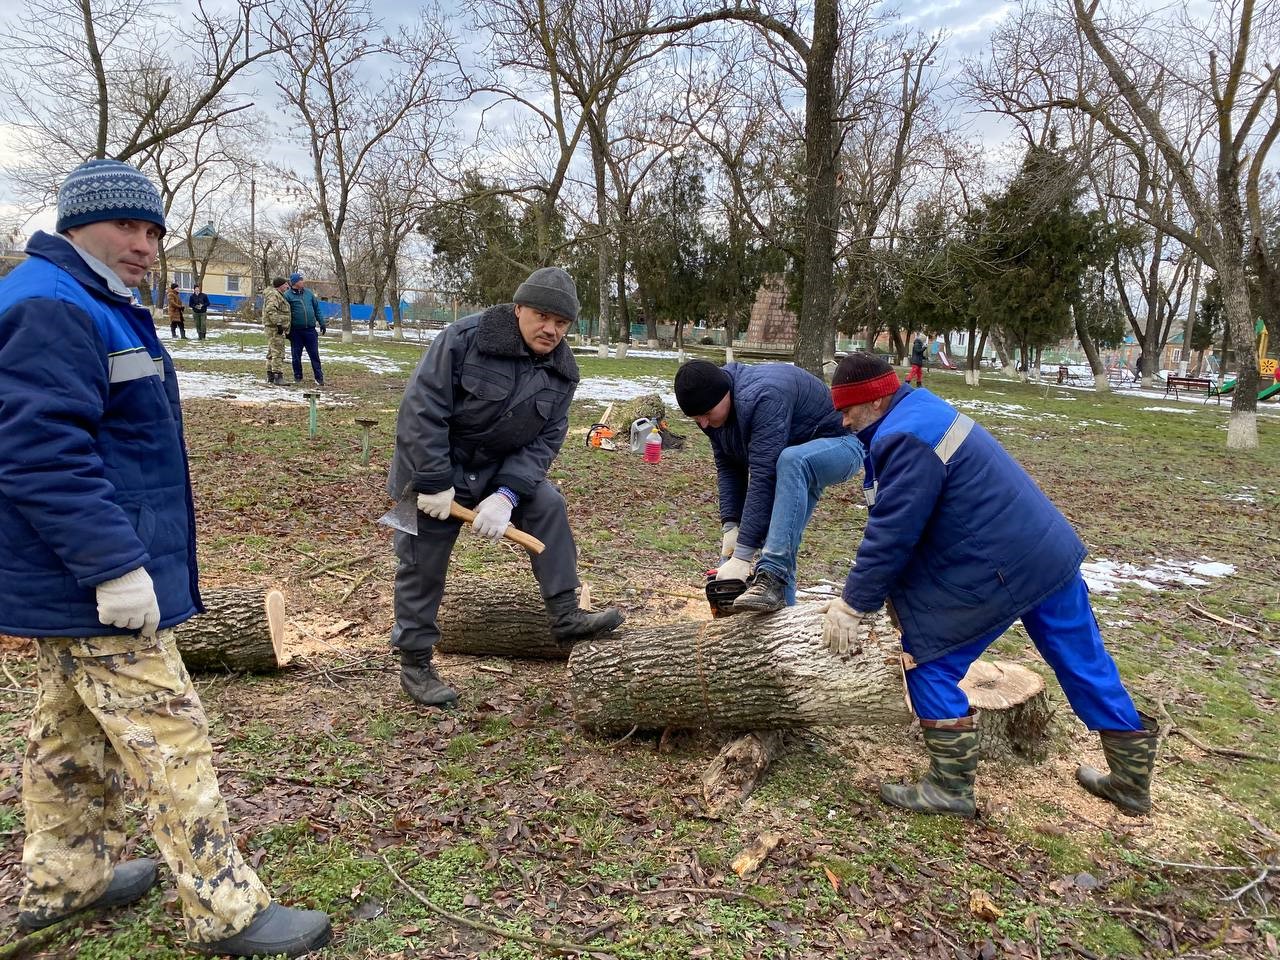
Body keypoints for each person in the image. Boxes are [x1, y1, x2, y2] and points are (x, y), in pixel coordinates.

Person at [0, 158, 331, 957]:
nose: (144, 244)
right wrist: (113, 566)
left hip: (68, 574)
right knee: (171, 737)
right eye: (127, 226)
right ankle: (226, 912)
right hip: (86, 577)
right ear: (79, 223)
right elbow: (41, 453)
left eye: (152, 228)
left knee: (67, 736)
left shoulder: (90, 300)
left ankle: (64, 882)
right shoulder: (52, 306)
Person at [821, 353, 1157, 818]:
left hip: (1003, 564)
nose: (843, 419)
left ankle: (949, 788)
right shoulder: (921, 411)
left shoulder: (905, 437)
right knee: (1084, 659)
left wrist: (854, 604)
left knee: (927, 661)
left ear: (876, 400)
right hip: (1046, 550)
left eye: (848, 408)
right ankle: (1131, 780)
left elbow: (894, 531)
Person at [387, 267, 624, 707]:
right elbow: (422, 411)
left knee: (548, 503)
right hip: (434, 468)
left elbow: (544, 442)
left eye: (562, 322)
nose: (550, 329)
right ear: (518, 309)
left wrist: (508, 494)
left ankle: (566, 615)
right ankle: (416, 662)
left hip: (497, 471)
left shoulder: (563, 373)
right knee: (421, 563)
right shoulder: (464, 340)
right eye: (541, 316)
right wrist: (436, 483)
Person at [673, 359, 864, 613]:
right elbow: (730, 467)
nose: (704, 424)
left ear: (725, 394)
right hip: (792, 462)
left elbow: (763, 476)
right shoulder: (713, 411)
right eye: (697, 419)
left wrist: (742, 557)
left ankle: (772, 574)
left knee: (791, 460)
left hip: (843, 444)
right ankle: (782, 623)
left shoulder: (764, 396)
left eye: (707, 415)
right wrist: (731, 526)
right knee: (781, 533)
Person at [283, 271, 325, 386]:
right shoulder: (287, 295)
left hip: (310, 330)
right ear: (295, 283)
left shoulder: (309, 293)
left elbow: (317, 309)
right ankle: (298, 376)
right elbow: (285, 313)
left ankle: (319, 377)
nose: (303, 282)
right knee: (296, 355)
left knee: (314, 354)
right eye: (301, 280)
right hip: (296, 331)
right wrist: (287, 329)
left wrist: (322, 322)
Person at [261, 276, 291, 384]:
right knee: (278, 352)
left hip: (273, 327)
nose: (287, 286)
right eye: (285, 285)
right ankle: (278, 376)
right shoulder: (274, 295)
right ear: (280, 286)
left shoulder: (277, 295)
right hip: (274, 328)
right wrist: (278, 324)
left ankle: (270, 375)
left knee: (271, 352)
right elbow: (271, 310)